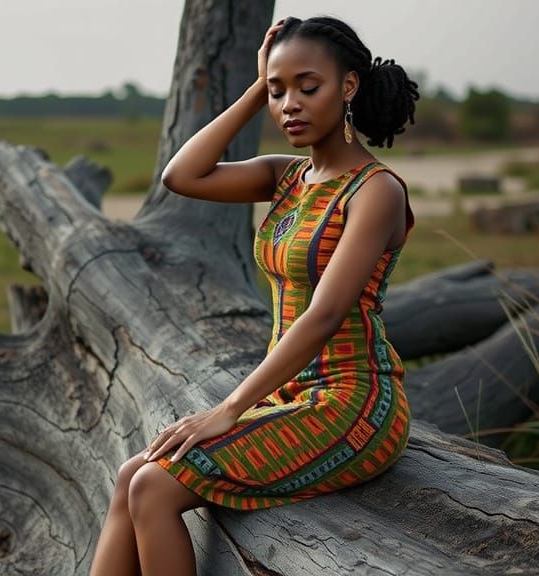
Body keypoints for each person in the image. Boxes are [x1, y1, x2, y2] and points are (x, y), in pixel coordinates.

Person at [89, 15, 419, 576]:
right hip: (291, 393)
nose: (289, 103)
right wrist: (254, 87)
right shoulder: (285, 177)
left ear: (348, 87)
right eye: (277, 90)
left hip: (352, 402)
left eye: (306, 87)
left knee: (152, 487)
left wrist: (228, 409)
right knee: (131, 475)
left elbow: (324, 316)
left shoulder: (376, 191)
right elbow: (181, 175)